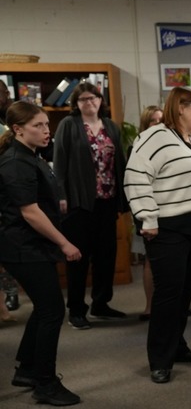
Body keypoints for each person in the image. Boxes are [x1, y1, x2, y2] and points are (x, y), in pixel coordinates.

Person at [0, 102, 82, 405]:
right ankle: (45, 384)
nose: (47, 131)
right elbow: (29, 212)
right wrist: (65, 243)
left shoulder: (28, 156)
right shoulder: (15, 162)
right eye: (38, 126)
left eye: (47, 125)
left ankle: (27, 369)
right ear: (18, 129)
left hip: (32, 246)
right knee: (52, 311)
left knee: (45, 308)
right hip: (24, 248)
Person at [124, 87, 191, 384]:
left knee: (185, 292)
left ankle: (178, 346)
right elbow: (135, 176)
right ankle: (159, 359)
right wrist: (146, 217)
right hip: (167, 228)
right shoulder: (155, 137)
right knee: (168, 294)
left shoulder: (189, 140)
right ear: (181, 107)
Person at [52, 82, 127, 329]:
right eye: (83, 99)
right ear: (76, 103)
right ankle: (76, 309)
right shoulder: (68, 125)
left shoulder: (111, 127)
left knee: (106, 256)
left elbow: (121, 163)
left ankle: (101, 303)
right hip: (78, 202)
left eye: (93, 98)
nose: (89, 103)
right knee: (78, 259)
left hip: (107, 200)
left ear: (100, 100)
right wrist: (61, 195)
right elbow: (59, 162)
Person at [132, 105, 163, 321]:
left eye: (161, 120)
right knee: (151, 260)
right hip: (148, 211)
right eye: (154, 121)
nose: (158, 125)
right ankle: (150, 306)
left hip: (168, 210)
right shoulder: (139, 145)